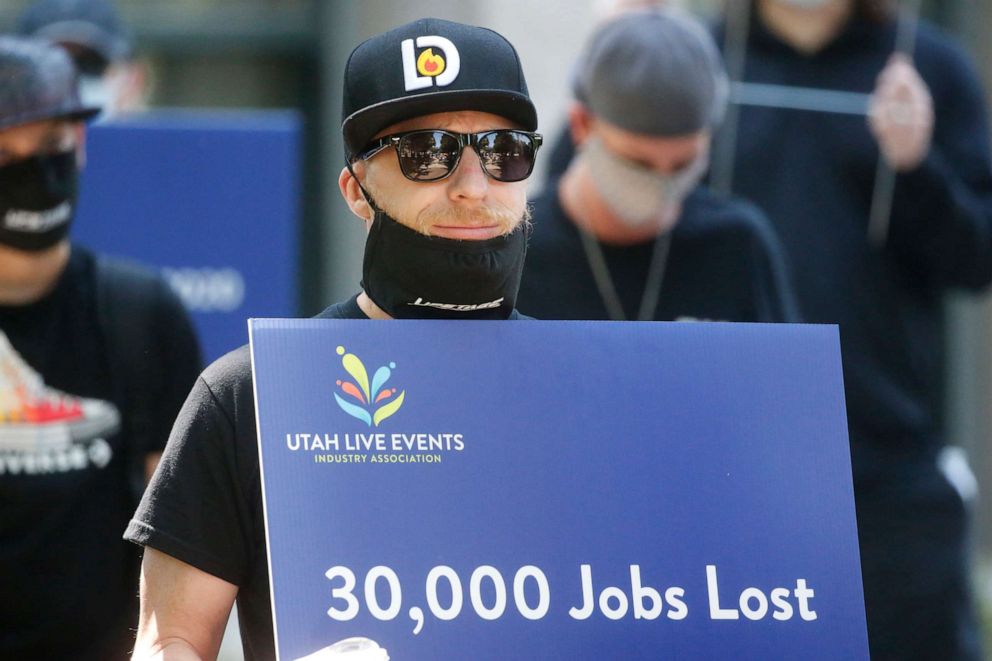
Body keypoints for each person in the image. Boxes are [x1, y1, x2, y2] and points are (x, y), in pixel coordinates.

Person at [125, 17, 541, 660]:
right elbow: (170, 640)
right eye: (425, 152)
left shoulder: (587, 384)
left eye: (503, 150)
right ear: (355, 189)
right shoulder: (251, 396)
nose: (472, 186)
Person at [713, 1, 992, 659]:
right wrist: (611, 71)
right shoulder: (702, 60)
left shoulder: (931, 67)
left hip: (888, 463)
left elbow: (977, 259)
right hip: (726, 462)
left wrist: (917, 166)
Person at [0, 37, 202, 660]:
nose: (36, 172)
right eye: (6, 155)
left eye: (54, 148)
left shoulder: (140, 313)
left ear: (82, 147)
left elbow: (185, 536)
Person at [518, 8, 798, 323]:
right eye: (637, 163)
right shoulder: (515, 251)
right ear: (582, 125)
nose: (660, 181)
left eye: (683, 164)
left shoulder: (737, 244)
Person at [18, 0, 148, 117]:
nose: (71, 83)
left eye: (90, 63)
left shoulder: (164, 142)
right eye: (51, 69)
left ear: (134, 79)